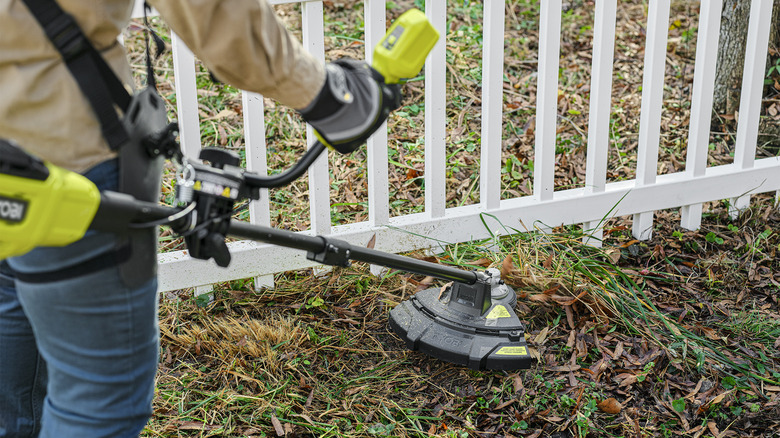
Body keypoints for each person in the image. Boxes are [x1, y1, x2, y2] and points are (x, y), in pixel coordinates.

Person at [0, 0, 399, 436]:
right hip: (56, 151)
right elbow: (215, 14)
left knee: (10, 322)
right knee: (98, 396)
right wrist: (331, 98)